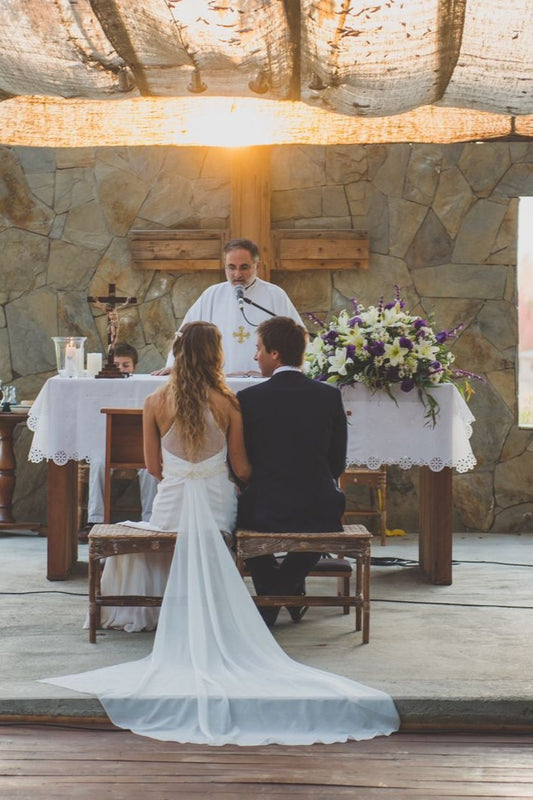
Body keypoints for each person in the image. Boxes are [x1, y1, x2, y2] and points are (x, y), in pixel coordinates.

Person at [42, 321, 400, 746]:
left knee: (176, 522)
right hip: (221, 506)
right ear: (215, 357)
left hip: (174, 504)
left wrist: (189, 474)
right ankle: (276, 598)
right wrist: (228, 479)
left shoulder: (156, 400)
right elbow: (247, 468)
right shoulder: (233, 403)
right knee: (248, 521)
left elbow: (153, 469)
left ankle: (223, 601)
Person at [237, 317, 347, 626]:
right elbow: (337, 461)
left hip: (263, 507)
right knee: (321, 527)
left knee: (243, 520)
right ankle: (286, 594)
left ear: (275, 354)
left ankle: (269, 606)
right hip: (318, 506)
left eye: (258, 349)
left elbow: (241, 462)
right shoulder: (329, 396)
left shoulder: (248, 399)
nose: (255, 356)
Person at [157, 238, 303, 377]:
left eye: (244, 267)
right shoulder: (212, 295)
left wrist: (301, 368)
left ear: (257, 266)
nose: (237, 274)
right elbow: (185, 335)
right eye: (231, 267)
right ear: (225, 266)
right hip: (219, 383)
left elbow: (297, 338)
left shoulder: (275, 295)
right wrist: (174, 364)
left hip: (265, 383)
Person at [85, 342, 157, 535]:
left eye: (126, 365)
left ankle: (150, 520)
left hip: (137, 445)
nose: (122, 369)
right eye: (116, 365)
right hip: (108, 443)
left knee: (150, 469)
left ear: (135, 367)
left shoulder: (144, 386)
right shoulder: (101, 386)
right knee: (98, 464)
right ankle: (96, 520)